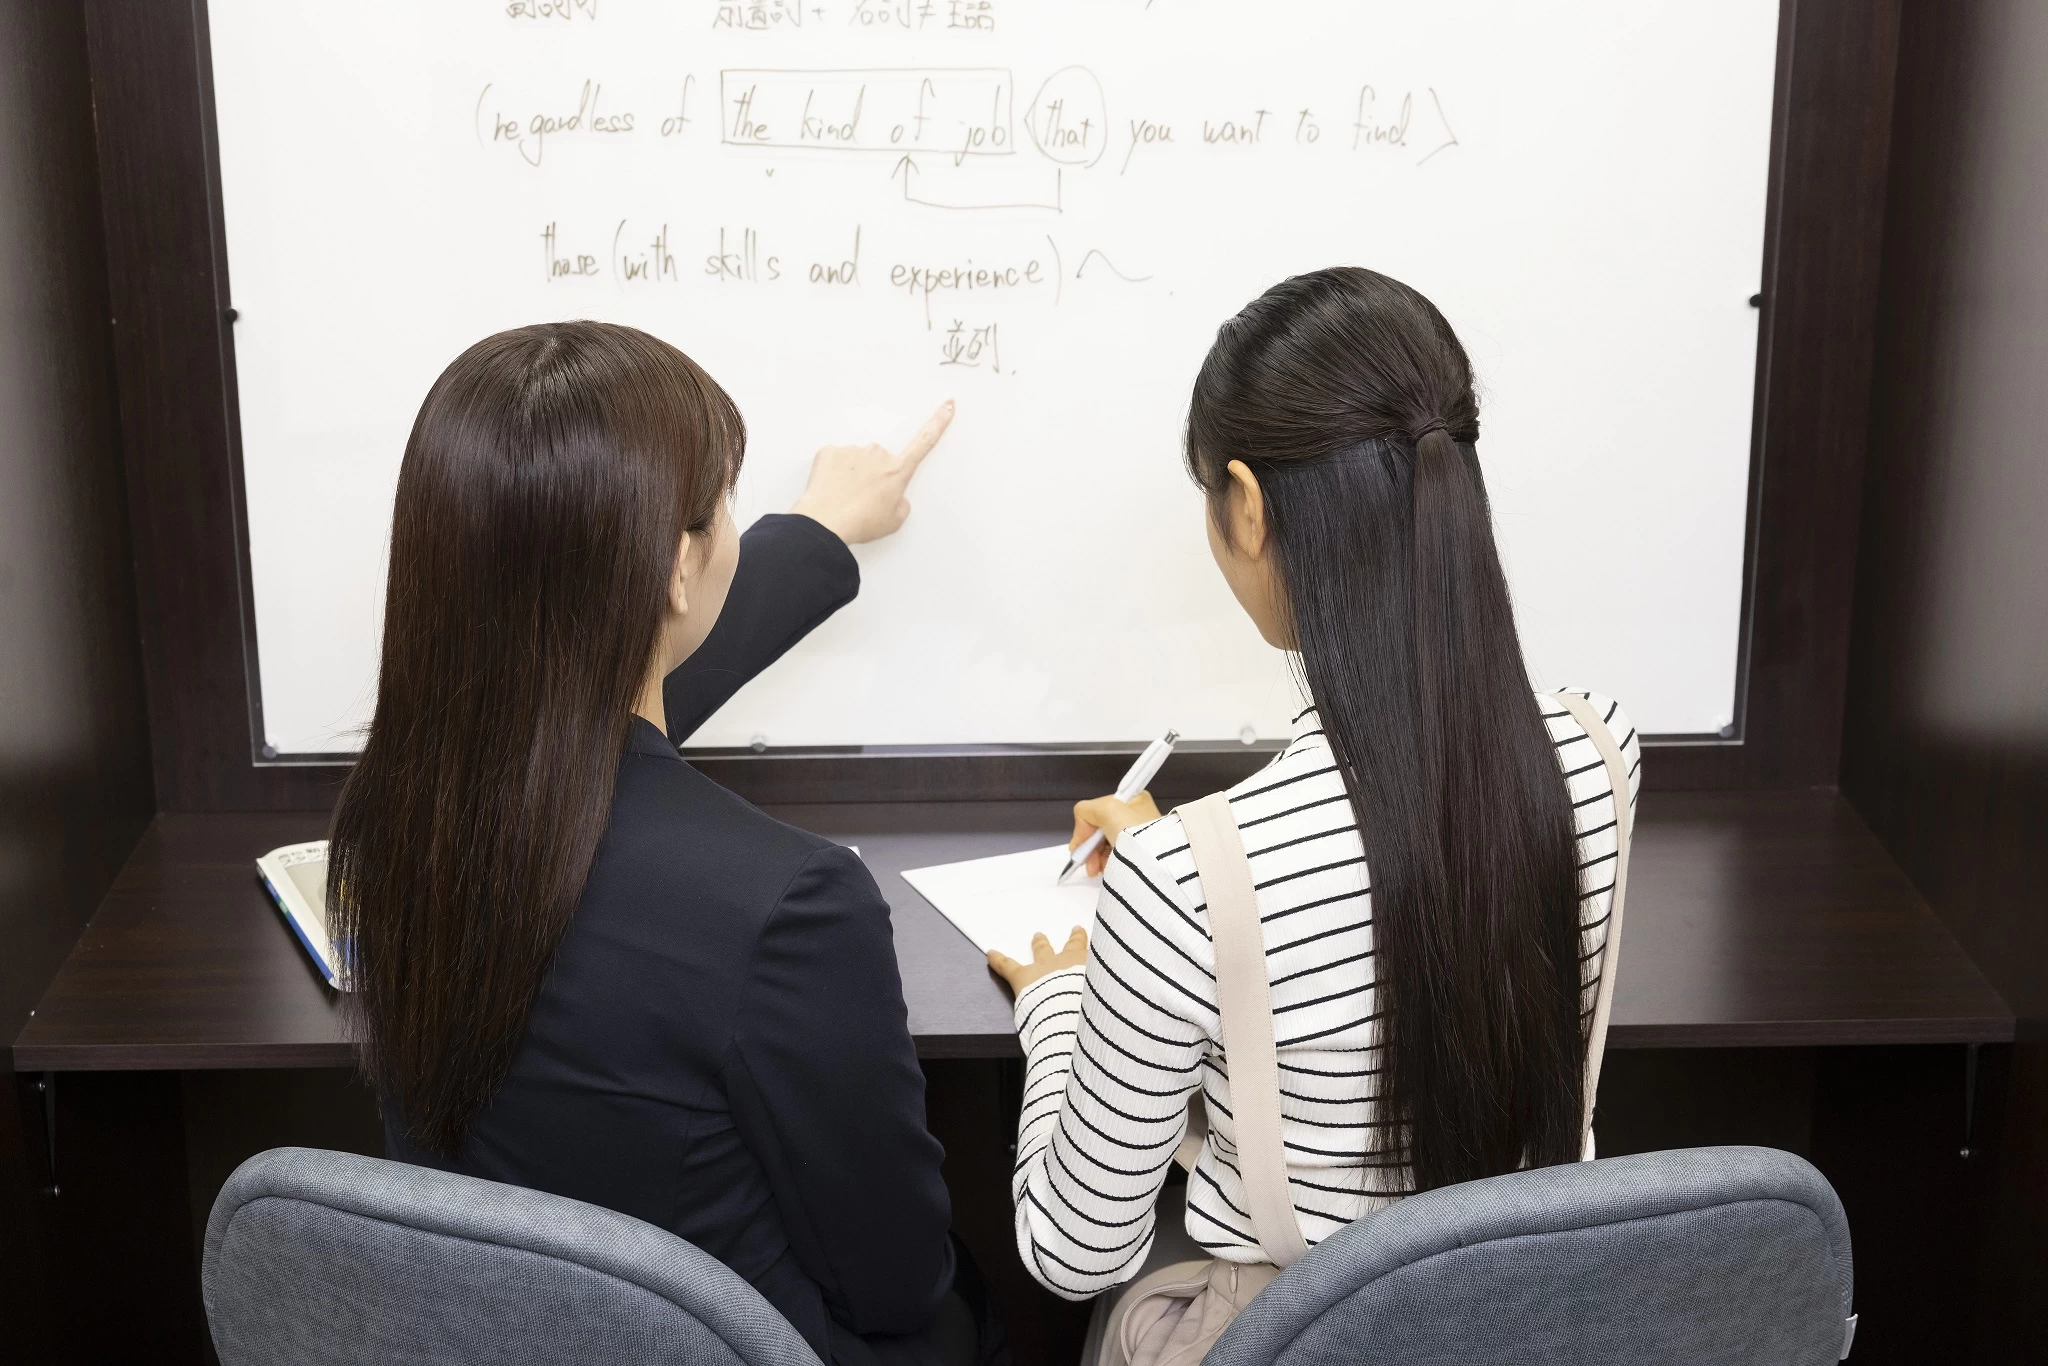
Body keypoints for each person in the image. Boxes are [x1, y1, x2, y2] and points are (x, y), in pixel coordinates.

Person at [328, 321, 1002, 1366]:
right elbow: (893, 1276)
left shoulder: (394, 820)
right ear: (678, 566)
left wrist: (817, 528)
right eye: (722, 505)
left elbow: (590, 685)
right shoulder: (791, 904)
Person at [988, 268, 1641, 1342]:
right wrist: (1190, 870)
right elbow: (1408, 870)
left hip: (1296, 1333)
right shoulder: (1601, 750)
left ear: (1246, 506)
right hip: (1525, 1320)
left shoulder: (1186, 881)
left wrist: (1061, 994)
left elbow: (1073, 1247)